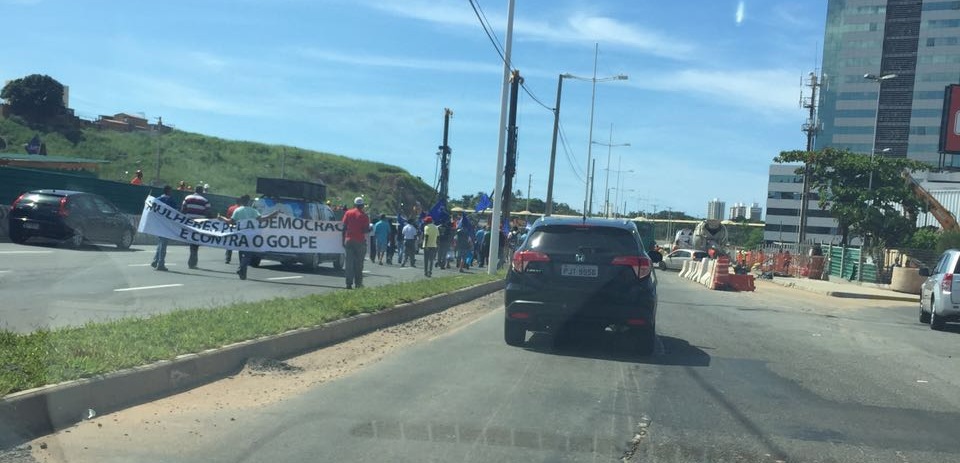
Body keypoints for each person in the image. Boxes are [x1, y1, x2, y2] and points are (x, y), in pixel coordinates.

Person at [225, 196, 260, 280]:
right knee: (248, 254)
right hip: (250, 235)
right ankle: (242, 269)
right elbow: (261, 219)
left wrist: (222, 218)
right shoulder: (254, 211)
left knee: (242, 253)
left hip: (240, 235)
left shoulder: (237, 210)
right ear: (248, 202)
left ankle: (243, 272)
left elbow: (231, 221)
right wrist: (273, 215)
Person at [341, 197, 370, 289]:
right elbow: (365, 230)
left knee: (349, 263)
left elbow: (344, 227)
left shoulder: (348, 213)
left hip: (348, 240)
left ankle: (348, 283)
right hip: (359, 241)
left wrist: (343, 240)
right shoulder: (364, 216)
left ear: (354, 204)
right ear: (362, 205)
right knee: (359, 264)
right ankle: (358, 283)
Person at [181, 185, 212, 269]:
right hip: (199, 224)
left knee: (192, 242)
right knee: (195, 243)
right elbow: (208, 213)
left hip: (188, 223)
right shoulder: (205, 201)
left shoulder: (187, 198)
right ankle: (192, 262)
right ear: (202, 191)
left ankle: (192, 262)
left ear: (195, 190)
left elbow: (183, 210)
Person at [150, 185, 177, 271]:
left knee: (160, 243)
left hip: (158, 225)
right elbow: (175, 212)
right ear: (169, 191)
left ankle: (155, 261)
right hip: (166, 226)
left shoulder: (157, 200)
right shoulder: (171, 200)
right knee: (163, 244)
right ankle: (160, 264)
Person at [223, 197, 243, 264]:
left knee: (230, 243)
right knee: (241, 244)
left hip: (231, 227)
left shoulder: (231, 208)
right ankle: (241, 259)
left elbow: (228, 217)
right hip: (240, 227)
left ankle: (227, 258)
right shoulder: (242, 209)